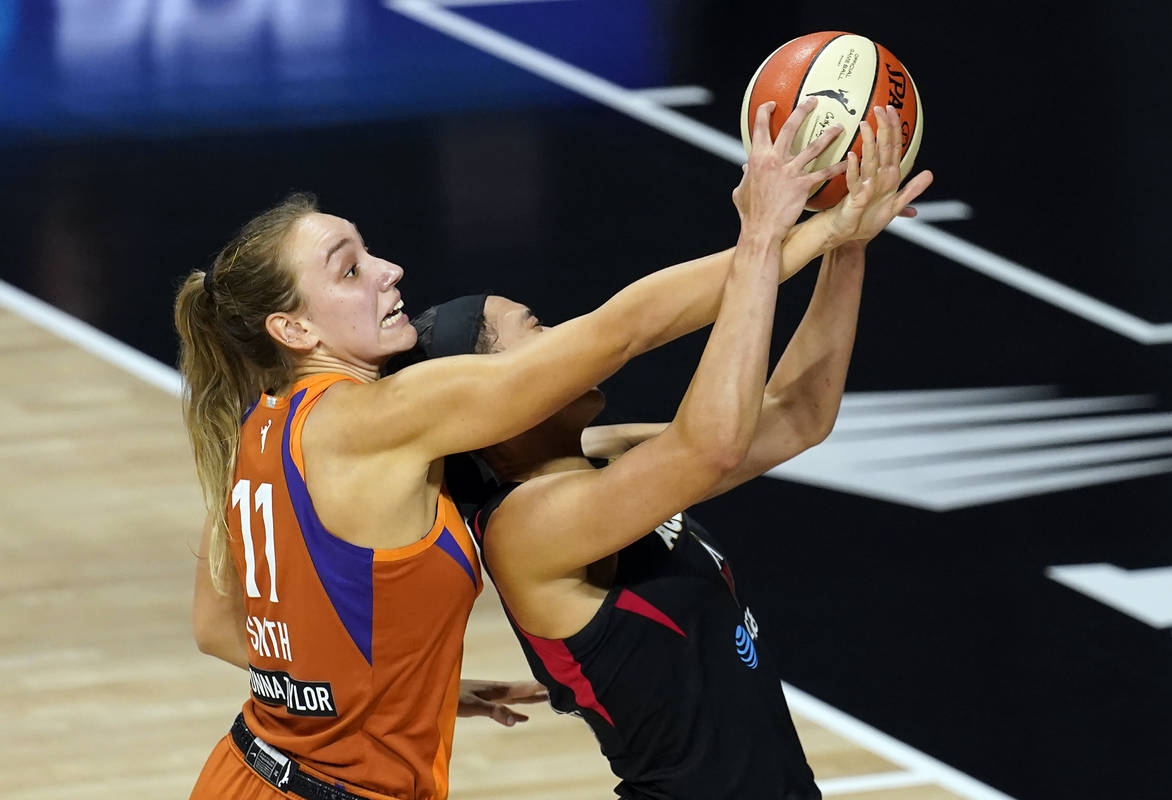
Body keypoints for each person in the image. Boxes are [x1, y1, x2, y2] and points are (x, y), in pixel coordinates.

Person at [176, 97, 879, 800]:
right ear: (294, 331)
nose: (389, 270)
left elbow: (219, 626)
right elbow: (624, 333)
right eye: (349, 270)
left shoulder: (260, 427)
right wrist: (782, 234)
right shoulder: (375, 418)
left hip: (251, 770)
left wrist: (385, 688)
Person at [400, 106, 930, 799]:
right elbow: (708, 447)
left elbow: (797, 416)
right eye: (539, 332)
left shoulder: (601, 464)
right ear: (493, 403)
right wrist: (763, 238)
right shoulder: (527, 528)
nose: (567, 339)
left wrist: (847, 243)